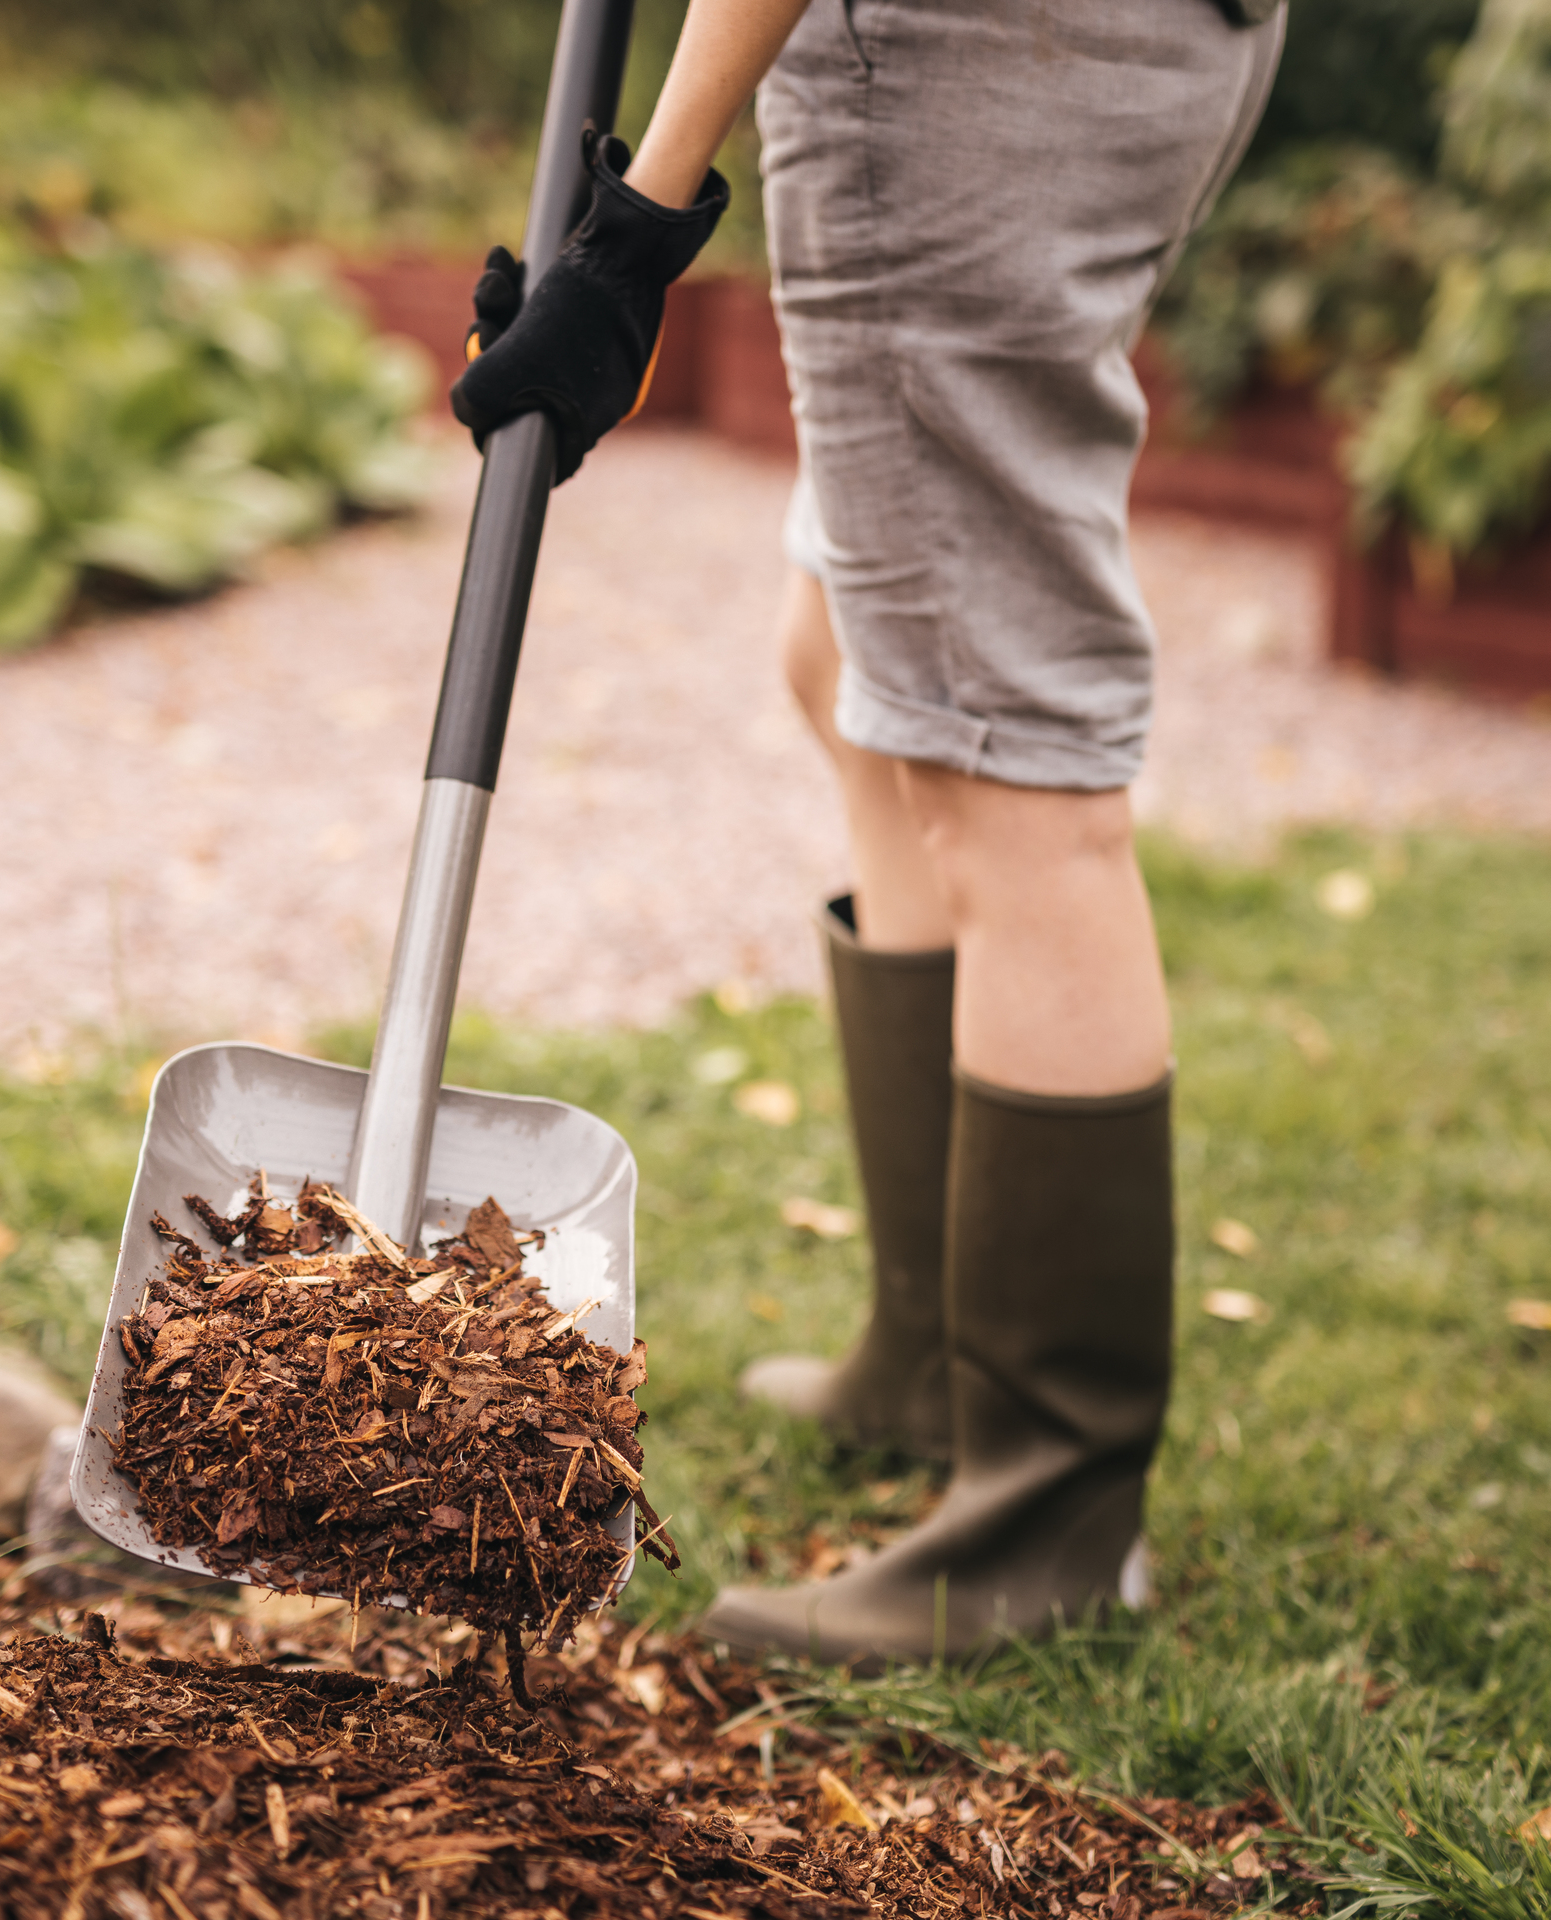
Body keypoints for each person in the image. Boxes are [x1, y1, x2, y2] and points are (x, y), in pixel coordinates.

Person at [453, 0, 1286, 1666]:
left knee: (1007, 765)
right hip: (1102, 47)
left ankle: (1050, 1521)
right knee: (845, 660)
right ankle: (936, 1350)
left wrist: (636, 226)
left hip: (971, 59)